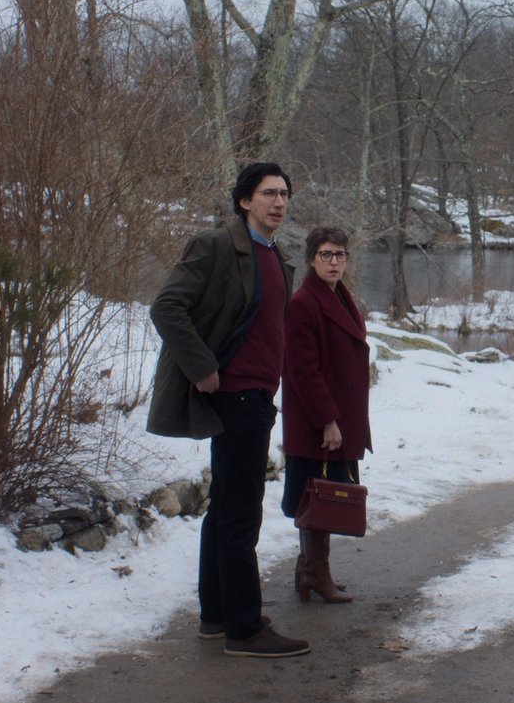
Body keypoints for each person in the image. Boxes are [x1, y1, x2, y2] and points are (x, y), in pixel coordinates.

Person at [146, 162, 310, 658]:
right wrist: (202, 367)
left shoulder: (275, 255)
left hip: (256, 397)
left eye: (284, 194)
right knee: (240, 514)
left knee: (224, 510)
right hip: (235, 396)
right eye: (268, 193)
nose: (278, 202)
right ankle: (245, 628)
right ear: (244, 201)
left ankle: (217, 616)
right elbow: (167, 306)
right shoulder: (217, 245)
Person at [280, 226, 372, 605]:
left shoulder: (338, 296)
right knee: (318, 497)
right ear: (311, 258)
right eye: (326, 254)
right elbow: (303, 370)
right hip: (318, 423)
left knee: (321, 496)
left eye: (340, 255)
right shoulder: (304, 303)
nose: (334, 262)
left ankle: (309, 569)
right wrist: (328, 421)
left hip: (337, 418)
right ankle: (316, 573)